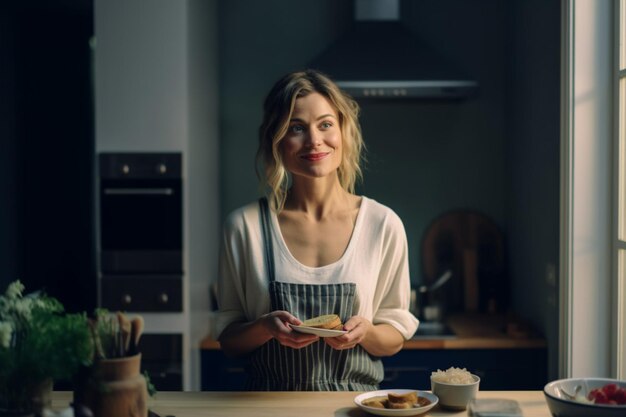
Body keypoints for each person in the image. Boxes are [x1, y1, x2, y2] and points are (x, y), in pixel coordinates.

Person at [213, 69, 419, 391]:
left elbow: (393, 339)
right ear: (276, 139)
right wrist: (266, 328)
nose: (314, 141)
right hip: (268, 410)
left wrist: (367, 332)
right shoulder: (244, 228)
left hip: (356, 410)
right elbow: (229, 341)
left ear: (342, 132)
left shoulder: (382, 224)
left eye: (325, 124)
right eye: (297, 128)